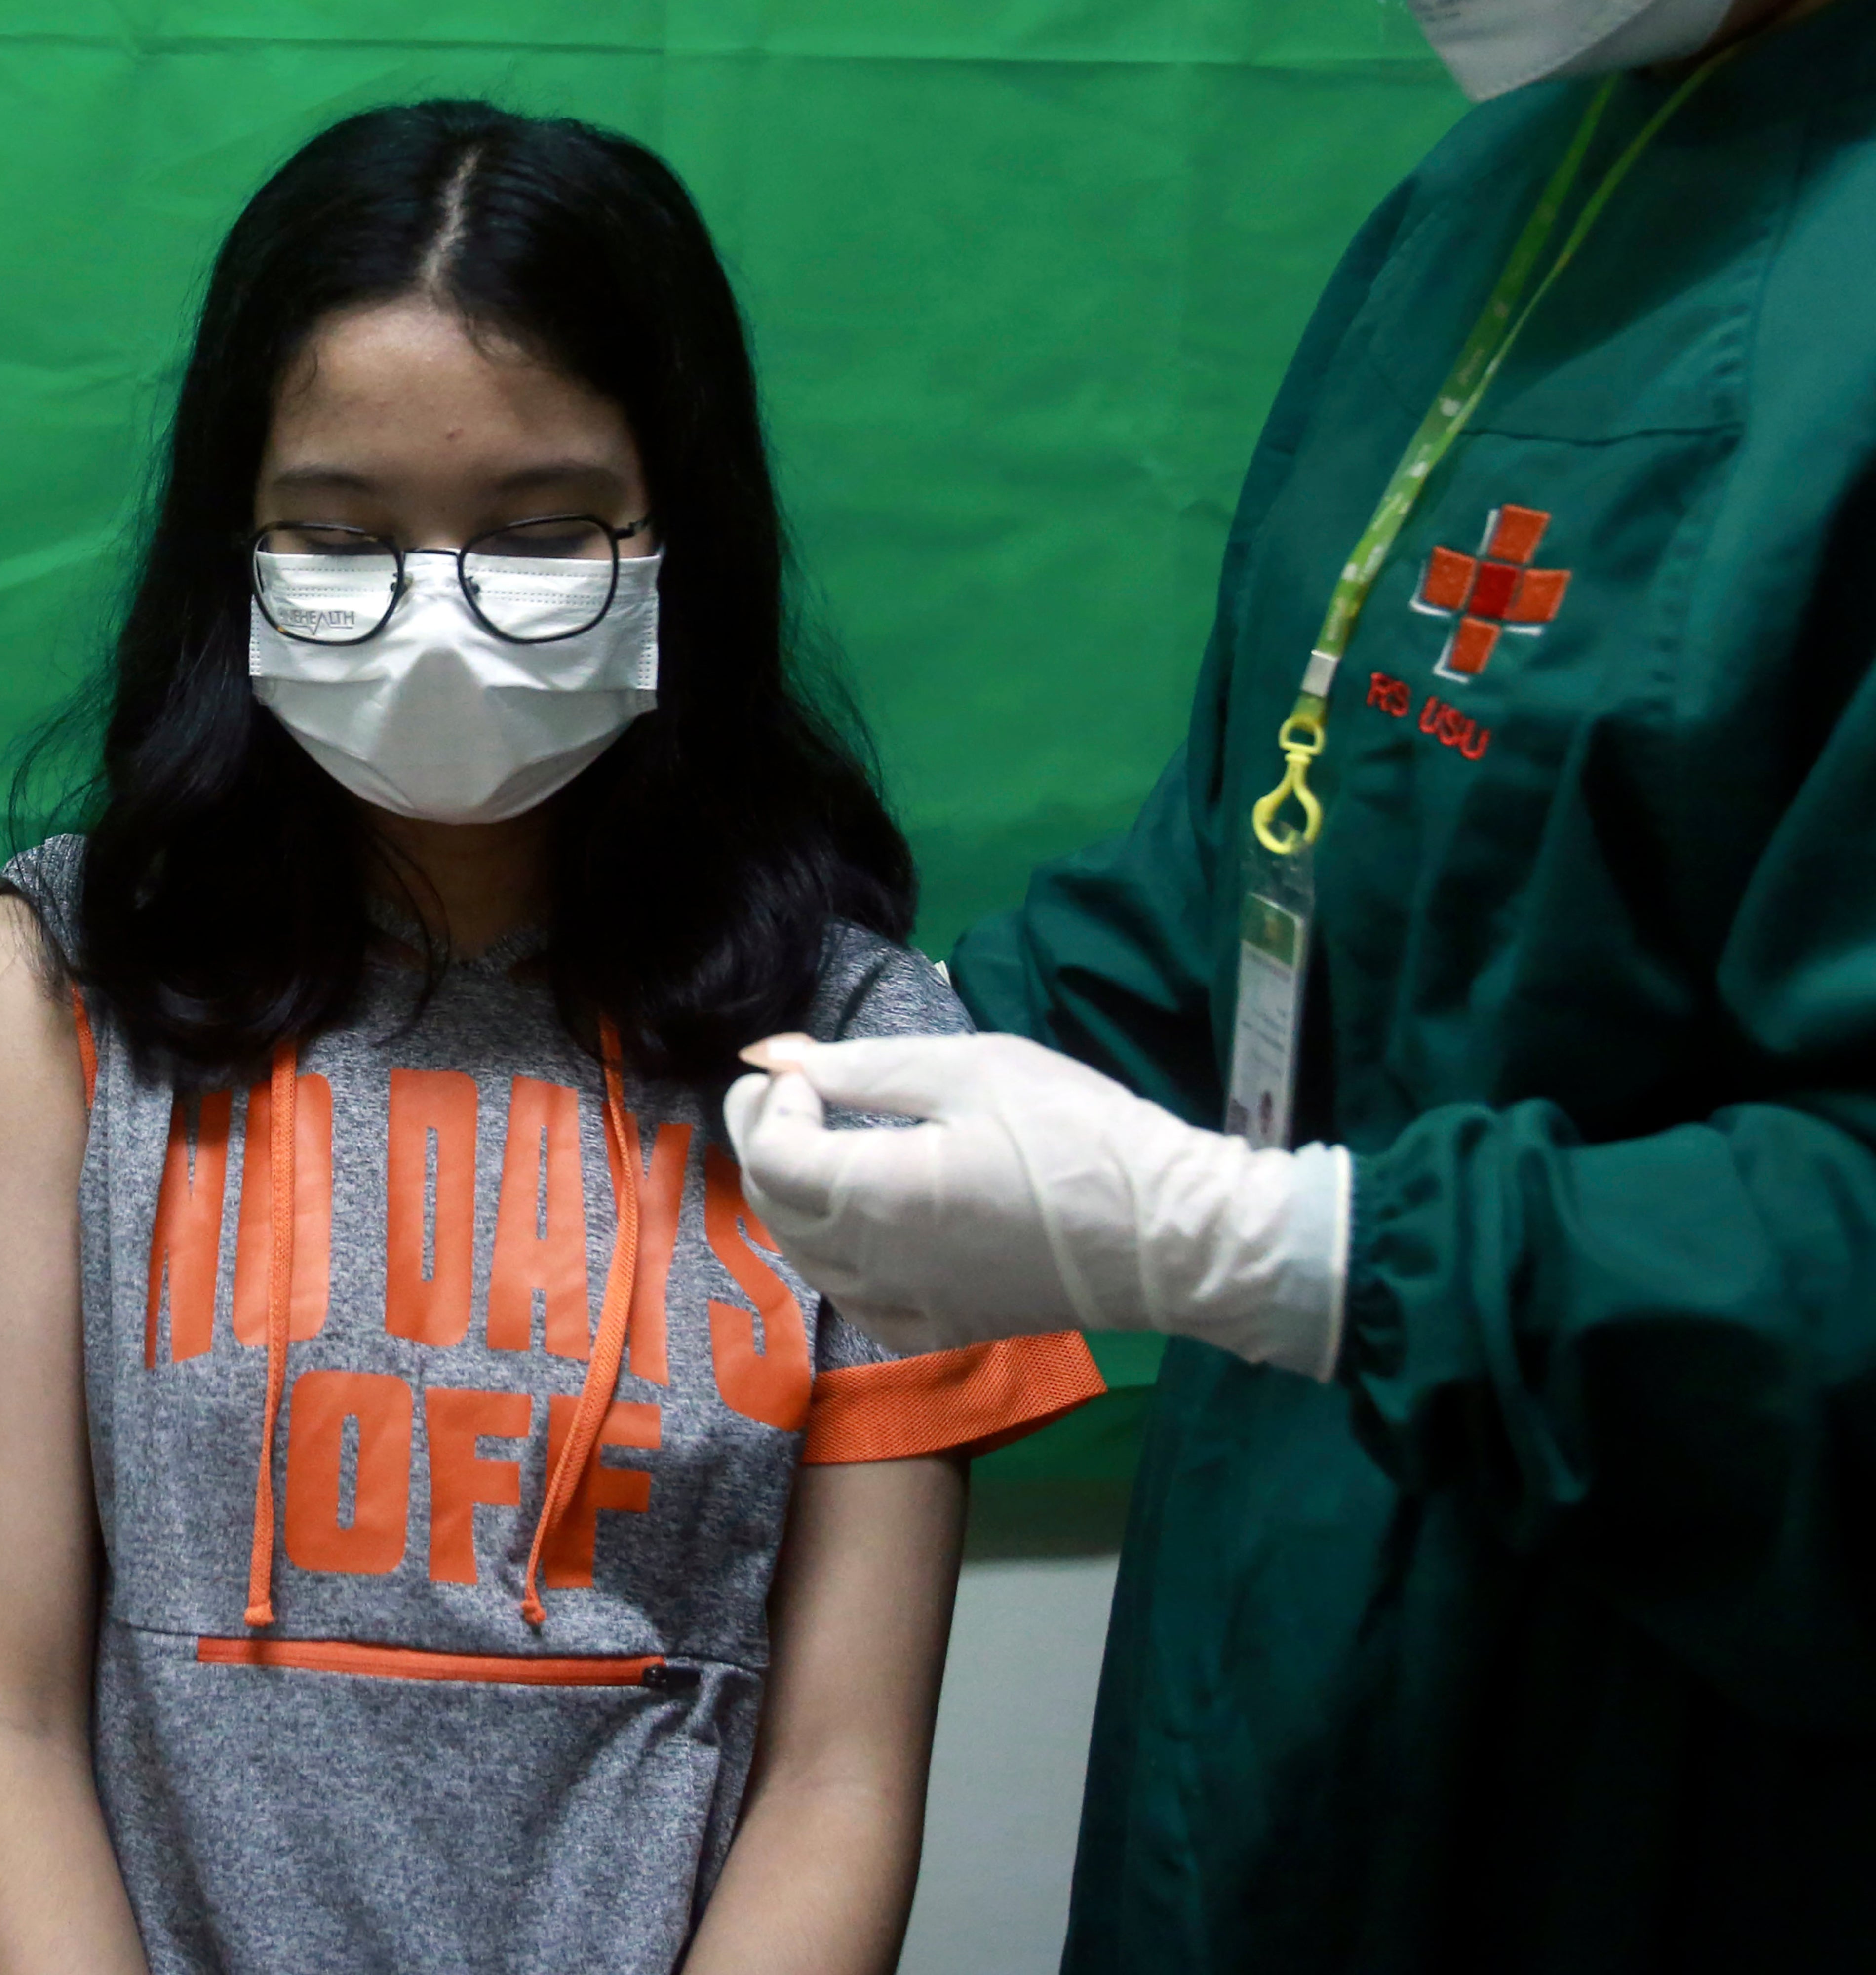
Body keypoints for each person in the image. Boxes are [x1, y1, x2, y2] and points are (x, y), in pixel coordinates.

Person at [725, 0, 1875, 1967]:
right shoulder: (1493, 200)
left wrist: (1284, 1248)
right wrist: (862, 1041)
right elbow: (1275, 862)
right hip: (1280, 1625)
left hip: (1661, 1723)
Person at [0, 99, 1102, 1975]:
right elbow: (2, 1720)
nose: (441, 619)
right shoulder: (61, 984)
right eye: (338, 532)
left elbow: (842, 1782)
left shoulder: (870, 1055)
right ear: (240, 546)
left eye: (539, 536)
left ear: (678, 530)